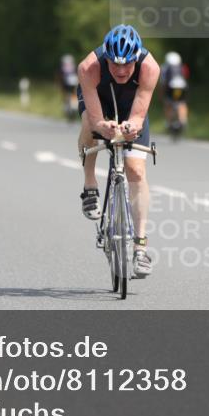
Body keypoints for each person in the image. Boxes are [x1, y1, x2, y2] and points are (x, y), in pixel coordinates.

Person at [76, 25, 160, 278]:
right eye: (114, 64)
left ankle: (140, 248)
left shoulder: (150, 68)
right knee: (89, 127)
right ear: (106, 59)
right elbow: (96, 119)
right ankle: (90, 184)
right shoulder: (88, 68)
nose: (121, 70)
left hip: (131, 103)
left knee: (136, 170)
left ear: (136, 58)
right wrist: (103, 125)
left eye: (127, 65)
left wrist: (130, 127)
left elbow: (138, 115)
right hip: (99, 98)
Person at [160, 51, 189, 135]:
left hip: (170, 88)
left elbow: (163, 82)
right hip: (182, 88)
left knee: (168, 103)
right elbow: (185, 79)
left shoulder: (164, 67)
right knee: (182, 103)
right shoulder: (182, 67)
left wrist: (161, 94)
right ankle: (183, 121)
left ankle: (168, 122)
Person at [59, 53, 79, 119]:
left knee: (68, 96)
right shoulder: (74, 67)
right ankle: (71, 108)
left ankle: (69, 108)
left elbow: (60, 78)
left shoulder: (63, 68)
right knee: (71, 96)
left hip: (68, 85)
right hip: (70, 85)